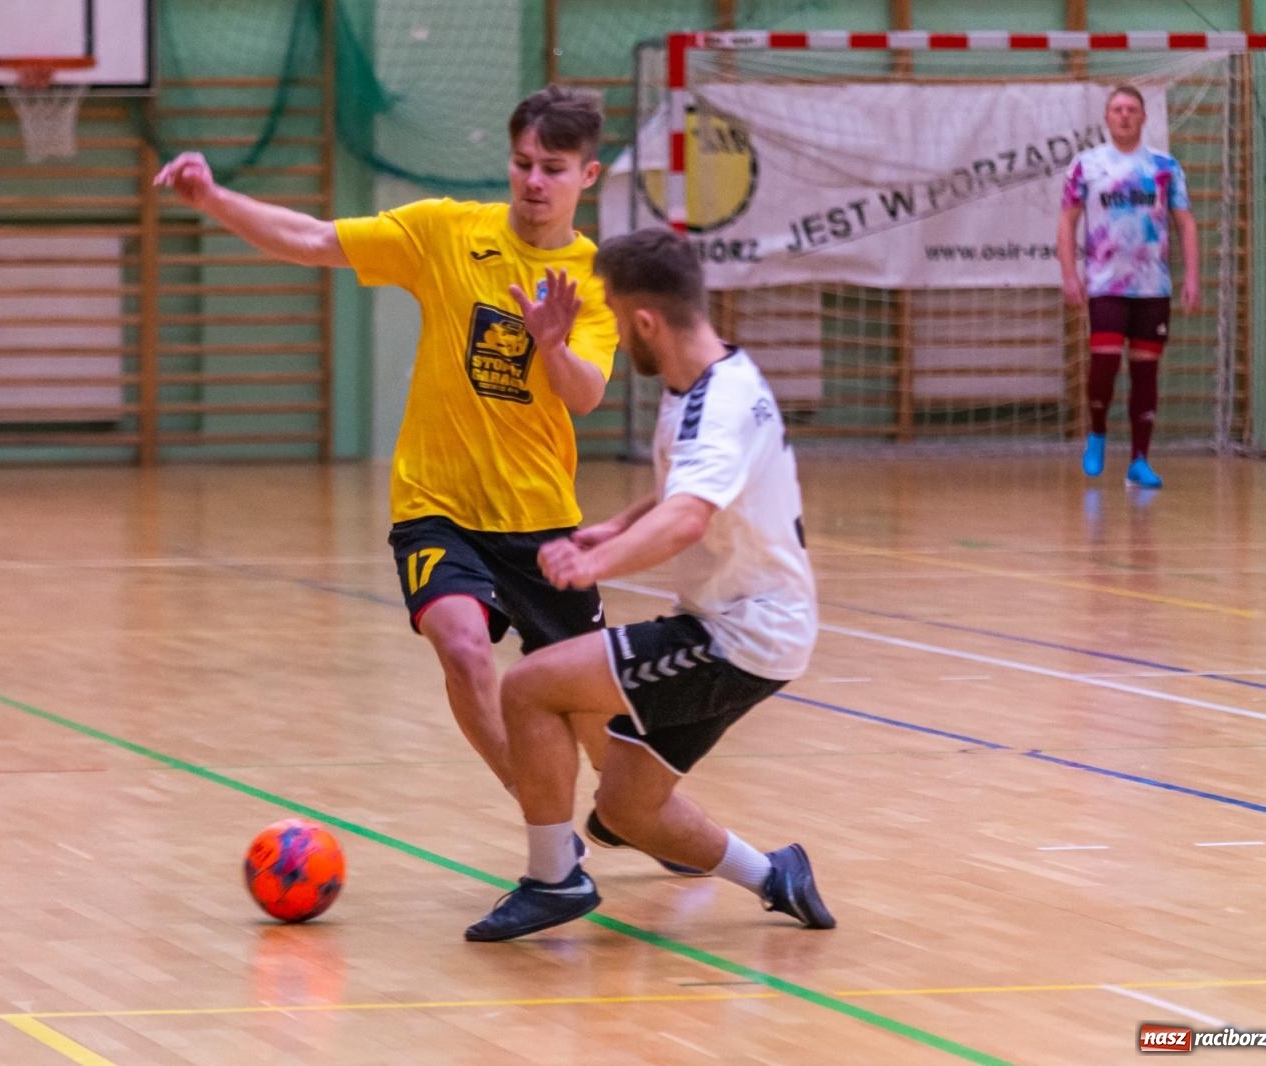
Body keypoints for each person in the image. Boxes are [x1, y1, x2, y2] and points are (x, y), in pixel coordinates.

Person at [153, 87, 627, 809]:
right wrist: (215, 198)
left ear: (587, 177)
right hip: (435, 505)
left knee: (599, 724)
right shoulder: (444, 232)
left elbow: (586, 393)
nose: (534, 180)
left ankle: (642, 815)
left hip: (539, 516)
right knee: (464, 648)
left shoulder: (593, 280)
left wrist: (551, 346)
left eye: (553, 168)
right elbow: (313, 239)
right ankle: (546, 824)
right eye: (522, 162)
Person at [464, 227, 834, 942]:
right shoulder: (710, 376)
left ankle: (552, 879)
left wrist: (592, 566)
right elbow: (687, 491)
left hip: (738, 636)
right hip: (745, 626)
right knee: (630, 810)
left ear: (644, 321)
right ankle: (776, 875)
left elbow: (688, 520)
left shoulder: (716, 406)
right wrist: (615, 524)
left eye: (610, 308)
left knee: (531, 686)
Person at [1058, 84, 1200, 490]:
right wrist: (1070, 274)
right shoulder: (1086, 165)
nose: (1124, 115)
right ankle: (1098, 433)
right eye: (1117, 109)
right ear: (1107, 118)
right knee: (1103, 364)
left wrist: (1192, 277)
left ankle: (1140, 460)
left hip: (1152, 286)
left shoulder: (1164, 166)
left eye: (1131, 109)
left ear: (1143, 117)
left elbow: (1185, 222)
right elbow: (1067, 222)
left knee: (1146, 372)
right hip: (1106, 284)